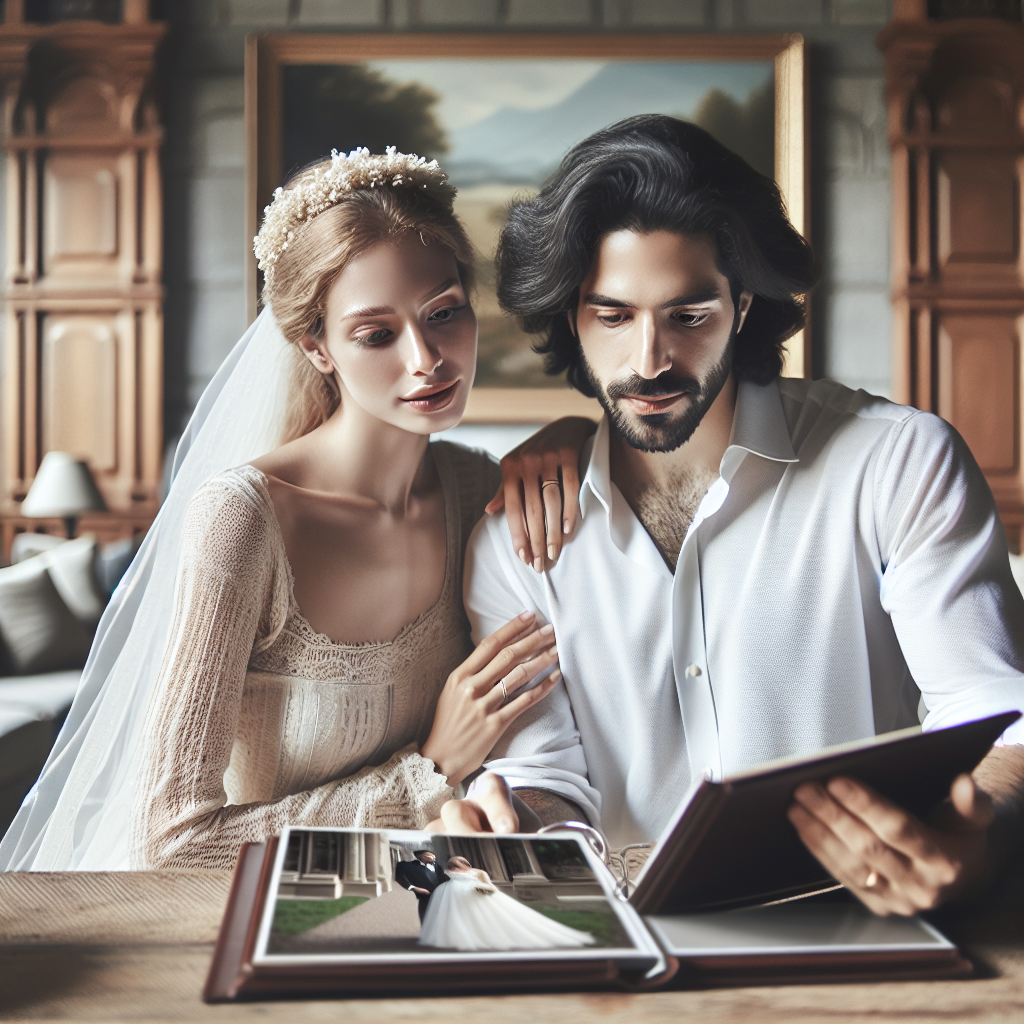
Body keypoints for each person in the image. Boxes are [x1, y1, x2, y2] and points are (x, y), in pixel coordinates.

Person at [452, 115, 1024, 918]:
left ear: (744, 305)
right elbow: (546, 777)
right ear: (569, 318)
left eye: (687, 315)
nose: (648, 360)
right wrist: (524, 827)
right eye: (611, 316)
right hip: (626, 950)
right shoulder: (515, 540)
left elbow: (999, 712)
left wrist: (981, 832)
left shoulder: (896, 464)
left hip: (868, 930)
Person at [0, 148, 587, 872]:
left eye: (444, 313)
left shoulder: (479, 493)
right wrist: (427, 770)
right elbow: (172, 842)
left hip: (427, 899)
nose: (426, 359)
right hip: (239, 922)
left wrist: (581, 435)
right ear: (317, 348)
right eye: (377, 334)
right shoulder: (243, 521)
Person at [418, 855, 595, 951]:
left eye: (459, 863)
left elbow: (489, 884)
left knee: (482, 917)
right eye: (453, 864)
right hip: (452, 896)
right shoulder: (447, 872)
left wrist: (486, 890)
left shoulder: (477, 872)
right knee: (457, 917)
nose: (456, 866)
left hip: (474, 895)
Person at [395, 849, 448, 922]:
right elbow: (400, 877)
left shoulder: (437, 866)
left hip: (440, 896)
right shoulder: (409, 866)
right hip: (425, 898)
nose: (433, 857)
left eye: (434, 855)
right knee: (426, 918)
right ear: (420, 856)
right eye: (430, 855)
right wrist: (414, 888)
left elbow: (443, 878)